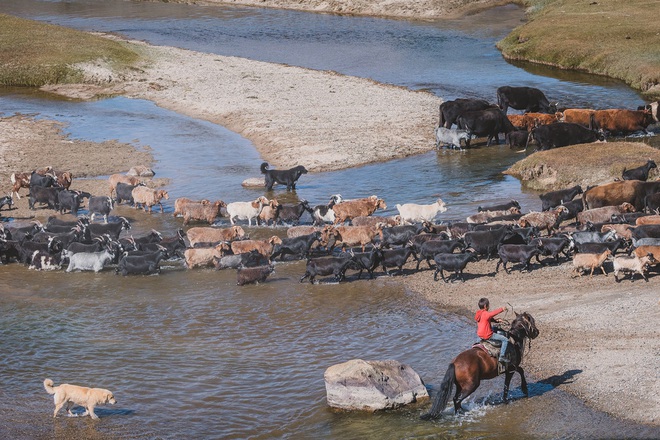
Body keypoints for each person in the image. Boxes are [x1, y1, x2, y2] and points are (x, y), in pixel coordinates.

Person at [475, 297, 509, 364]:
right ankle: (502, 356)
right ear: (485, 306)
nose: (489, 307)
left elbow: (488, 318)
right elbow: (492, 313)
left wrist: (497, 320)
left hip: (480, 335)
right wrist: (502, 309)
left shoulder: (478, 313)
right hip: (487, 335)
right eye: (488, 305)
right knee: (505, 340)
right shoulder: (486, 313)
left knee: (494, 328)